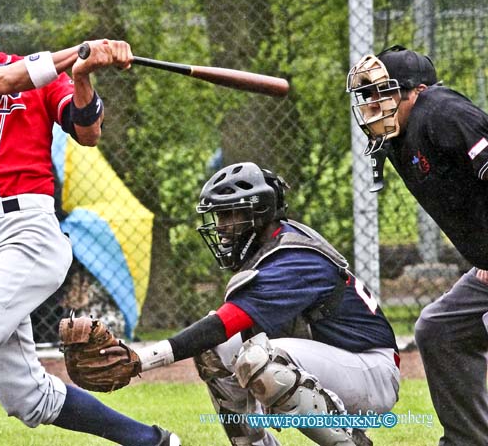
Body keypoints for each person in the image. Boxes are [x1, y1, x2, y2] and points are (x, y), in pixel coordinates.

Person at [0, 0, 179, 446]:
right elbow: (3, 81)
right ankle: (152, 442)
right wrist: (81, 53)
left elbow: (87, 131)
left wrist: (85, 74)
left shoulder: (46, 75)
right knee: (26, 396)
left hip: (25, 232)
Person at [77, 162, 399, 446]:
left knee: (260, 361)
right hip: (336, 359)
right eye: (219, 216)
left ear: (259, 212)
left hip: (371, 370)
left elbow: (225, 322)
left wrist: (140, 360)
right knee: (214, 351)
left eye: (230, 215)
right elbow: (220, 336)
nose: (220, 227)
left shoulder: (293, 257)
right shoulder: (272, 246)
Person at [347, 45, 488, 445]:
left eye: (381, 92)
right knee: (440, 329)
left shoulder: (442, 111)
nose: (372, 105)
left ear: (417, 90)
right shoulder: (398, 134)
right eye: (366, 96)